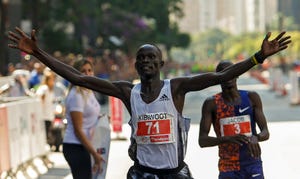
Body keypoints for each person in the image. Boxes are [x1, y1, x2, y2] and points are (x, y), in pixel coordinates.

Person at [8, 27, 290, 178]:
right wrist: (38, 54)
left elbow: (223, 74)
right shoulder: (126, 92)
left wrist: (258, 56)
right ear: (136, 65)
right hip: (143, 175)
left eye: (151, 57)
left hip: (174, 173)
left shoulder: (177, 88)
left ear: (161, 64)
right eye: (141, 58)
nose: (146, 61)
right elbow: (79, 79)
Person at [198, 60, 270, 179]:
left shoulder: (252, 97)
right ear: (217, 78)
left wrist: (255, 137)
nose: (227, 76)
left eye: (231, 72)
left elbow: (266, 132)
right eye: (223, 73)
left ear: (238, 74)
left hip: (252, 163)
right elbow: (202, 140)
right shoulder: (211, 103)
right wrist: (227, 139)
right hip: (228, 167)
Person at [62, 59, 104, 179]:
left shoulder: (88, 91)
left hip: (86, 145)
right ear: (76, 74)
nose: (87, 73)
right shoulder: (76, 95)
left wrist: (101, 119)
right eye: (83, 71)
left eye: (90, 70)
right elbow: (78, 131)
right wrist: (94, 154)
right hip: (76, 146)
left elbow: (88, 116)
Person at [36, 68, 56, 147]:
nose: (53, 81)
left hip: (49, 116)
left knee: (47, 134)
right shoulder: (44, 88)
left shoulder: (51, 90)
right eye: (51, 79)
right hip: (44, 116)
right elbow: (40, 98)